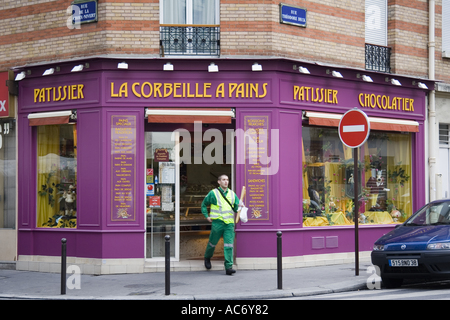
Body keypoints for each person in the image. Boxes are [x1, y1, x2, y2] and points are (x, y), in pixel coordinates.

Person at [201, 174, 240, 275]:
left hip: (229, 224)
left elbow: (236, 208)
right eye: (223, 180)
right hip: (217, 223)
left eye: (227, 180)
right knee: (212, 243)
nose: (226, 182)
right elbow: (204, 204)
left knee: (229, 245)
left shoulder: (232, 194)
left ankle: (228, 267)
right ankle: (207, 257)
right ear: (219, 182)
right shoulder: (213, 193)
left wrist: (241, 207)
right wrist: (206, 216)